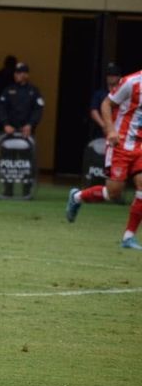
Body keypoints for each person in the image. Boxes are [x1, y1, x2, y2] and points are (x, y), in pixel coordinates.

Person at [67, 68, 142, 250]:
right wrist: (110, 130)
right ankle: (77, 197)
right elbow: (106, 104)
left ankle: (128, 237)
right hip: (120, 144)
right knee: (113, 193)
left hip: (140, 147)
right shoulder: (132, 82)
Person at [0, 62, 43, 139]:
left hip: (26, 132)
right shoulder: (8, 90)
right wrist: (5, 124)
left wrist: (30, 124)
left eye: (19, 73)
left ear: (26, 75)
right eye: (15, 73)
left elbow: (38, 110)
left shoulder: (34, 91)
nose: (16, 75)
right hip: (10, 131)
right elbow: (1, 108)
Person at [89, 63, 122, 138]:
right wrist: (104, 125)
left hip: (120, 129)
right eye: (109, 75)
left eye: (114, 75)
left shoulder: (123, 93)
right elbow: (93, 111)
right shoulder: (99, 94)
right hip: (101, 133)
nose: (111, 77)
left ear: (119, 77)